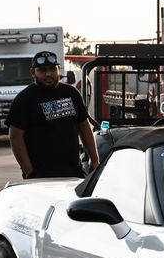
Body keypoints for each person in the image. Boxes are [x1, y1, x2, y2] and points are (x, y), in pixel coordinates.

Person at [8, 50, 100, 180]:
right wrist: (29, 172)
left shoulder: (71, 93)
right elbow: (15, 136)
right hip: (40, 176)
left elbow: (84, 126)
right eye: (42, 70)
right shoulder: (24, 99)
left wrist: (94, 159)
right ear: (33, 72)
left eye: (52, 69)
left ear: (58, 69)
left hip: (73, 172)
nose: (48, 74)